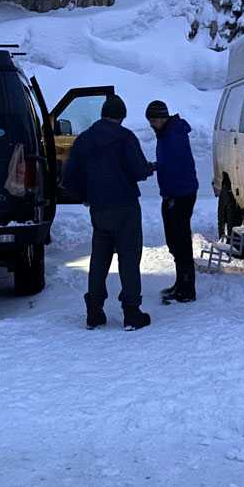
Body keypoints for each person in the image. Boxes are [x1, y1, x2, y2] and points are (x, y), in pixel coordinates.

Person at [61, 94, 155, 331]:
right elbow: (137, 170)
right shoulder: (125, 138)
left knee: (99, 260)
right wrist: (149, 168)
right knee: (129, 259)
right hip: (125, 207)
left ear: (103, 114)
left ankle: (94, 312)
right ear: (121, 116)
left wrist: (85, 196)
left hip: (99, 209)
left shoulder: (84, 140)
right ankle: (132, 313)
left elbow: (69, 178)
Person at [145, 100, 200, 304]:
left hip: (180, 194)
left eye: (152, 120)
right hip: (175, 193)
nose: (151, 125)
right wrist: (156, 166)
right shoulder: (167, 132)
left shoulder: (173, 134)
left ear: (161, 117)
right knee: (175, 239)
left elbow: (174, 165)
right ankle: (181, 283)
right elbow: (169, 162)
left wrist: (156, 168)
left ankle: (187, 289)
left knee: (180, 240)